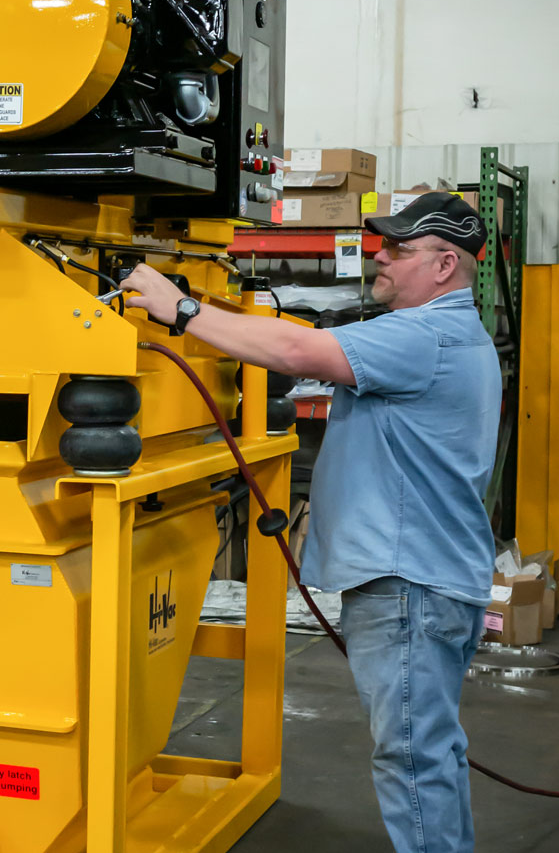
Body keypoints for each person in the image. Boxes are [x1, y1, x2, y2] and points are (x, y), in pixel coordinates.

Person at [120, 190, 502, 853]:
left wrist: (179, 308)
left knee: (413, 760)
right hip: (422, 580)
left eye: (399, 250)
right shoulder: (448, 333)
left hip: (409, 586)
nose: (380, 258)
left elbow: (297, 353)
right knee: (426, 753)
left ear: (444, 265)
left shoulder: (425, 336)